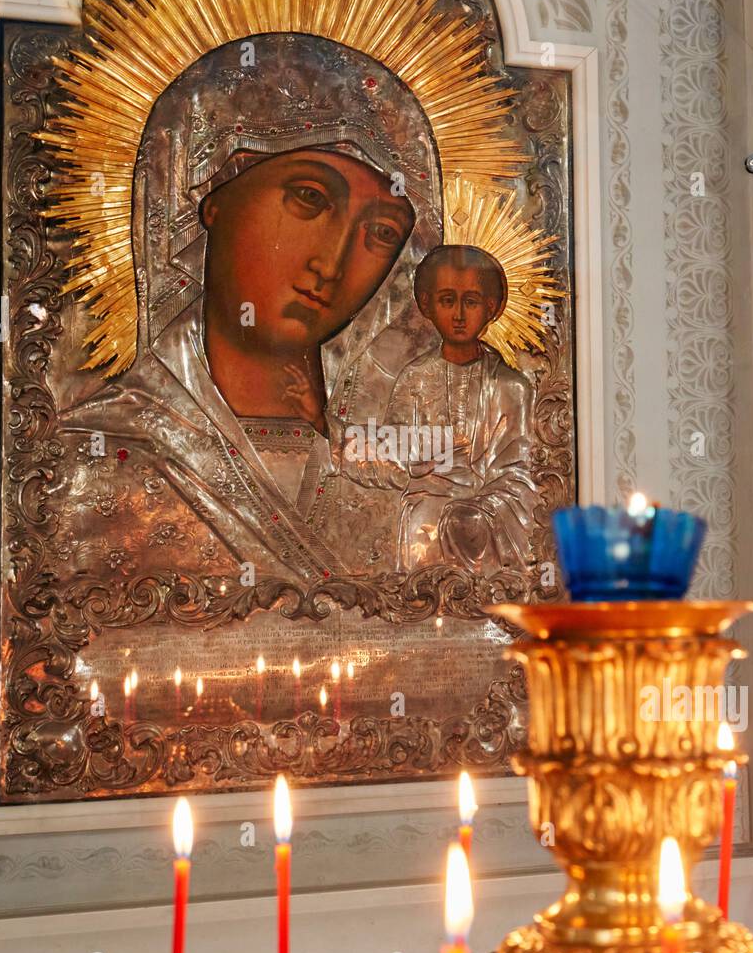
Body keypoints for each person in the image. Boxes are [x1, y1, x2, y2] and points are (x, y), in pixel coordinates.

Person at [59, 34, 444, 587]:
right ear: (212, 197)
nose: (332, 264)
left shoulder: (409, 463)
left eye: (381, 232)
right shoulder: (94, 456)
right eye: (310, 198)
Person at [338, 244, 538, 572]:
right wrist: (333, 433)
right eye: (447, 300)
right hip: (423, 526)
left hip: (484, 525)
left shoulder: (510, 387)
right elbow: (394, 456)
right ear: (427, 305)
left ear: (491, 308)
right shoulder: (414, 379)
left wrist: (477, 512)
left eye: (470, 301)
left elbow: (519, 475)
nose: (459, 314)